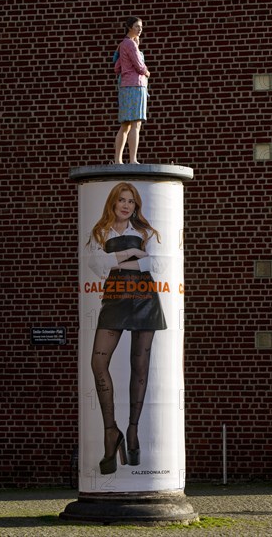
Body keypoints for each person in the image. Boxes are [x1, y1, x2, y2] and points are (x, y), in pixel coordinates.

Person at [87, 182, 166, 475]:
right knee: (98, 362)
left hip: (145, 298)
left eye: (131, 202)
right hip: (115, 298)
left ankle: (132, 431)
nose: (126, 205)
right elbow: (97, 266)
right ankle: (112, 431)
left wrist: (118, 262)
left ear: (136, 206)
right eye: (121, 200)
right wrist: (131, 253)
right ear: (113, 202)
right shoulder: (100, 232)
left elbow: (156, 267)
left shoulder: (147, 232)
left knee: (140, 367)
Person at [114, 17, 150, 164]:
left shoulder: (123, 44)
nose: (140, 29)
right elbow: (139, 66)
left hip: (125, 86)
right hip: (136, 85)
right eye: (137, 26)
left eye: (140, 27)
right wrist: (147, 72)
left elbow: (117, 67)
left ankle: (118, 160)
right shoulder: (131, 45)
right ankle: (133, 159)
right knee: (136, 123)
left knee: (125, 124)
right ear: (129, 27)